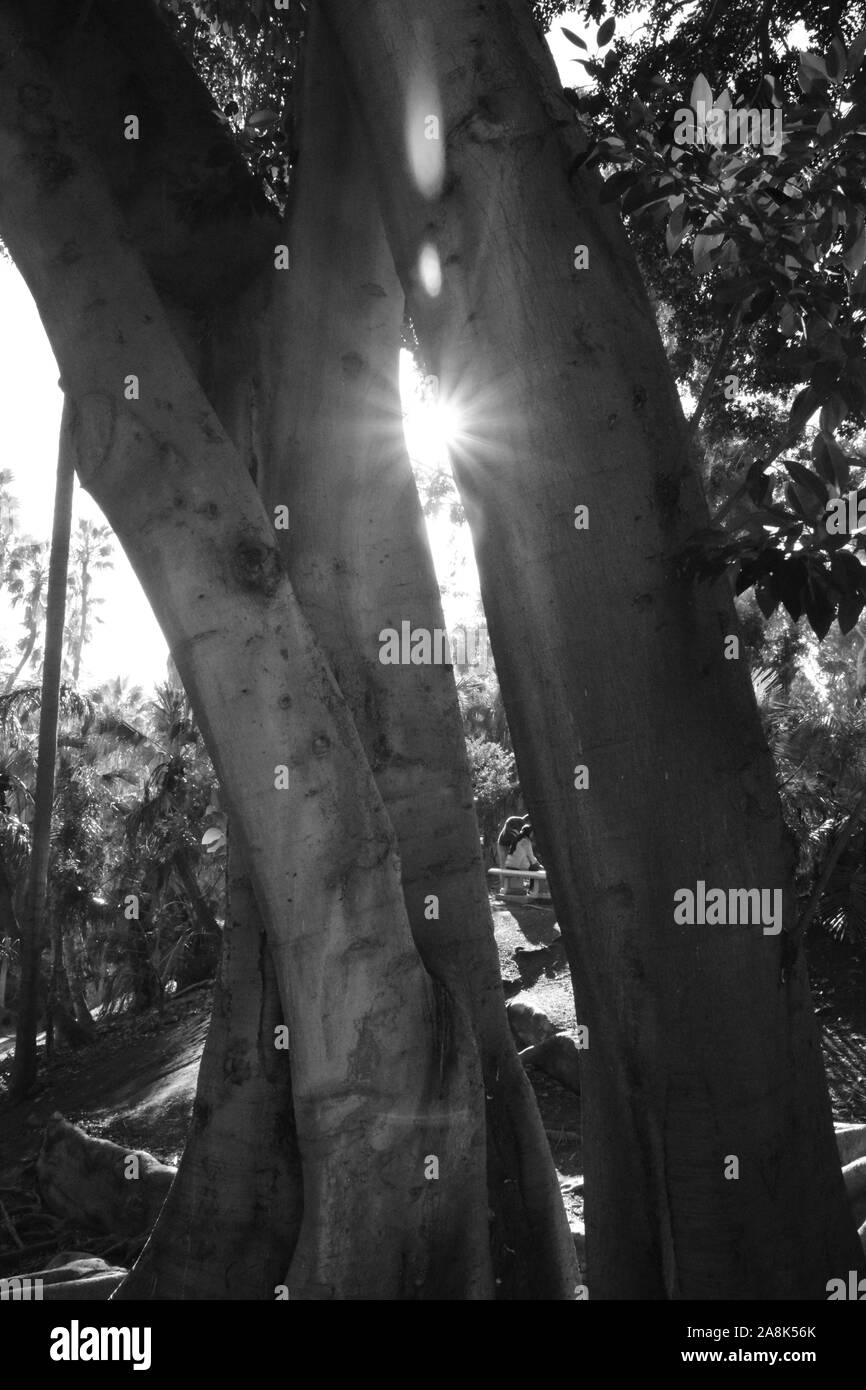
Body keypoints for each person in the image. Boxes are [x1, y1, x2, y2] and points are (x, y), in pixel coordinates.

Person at [504, 823, 542, 893]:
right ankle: (532, 890)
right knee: (535, 869)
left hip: (508, 865)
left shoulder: (517, 839)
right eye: (532, 833)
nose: (533, 835)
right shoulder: (526, 841)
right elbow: (531, 858)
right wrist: (539, 865)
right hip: (516, 866)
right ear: (529, 833)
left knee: (533, 866)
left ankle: (531, 889)